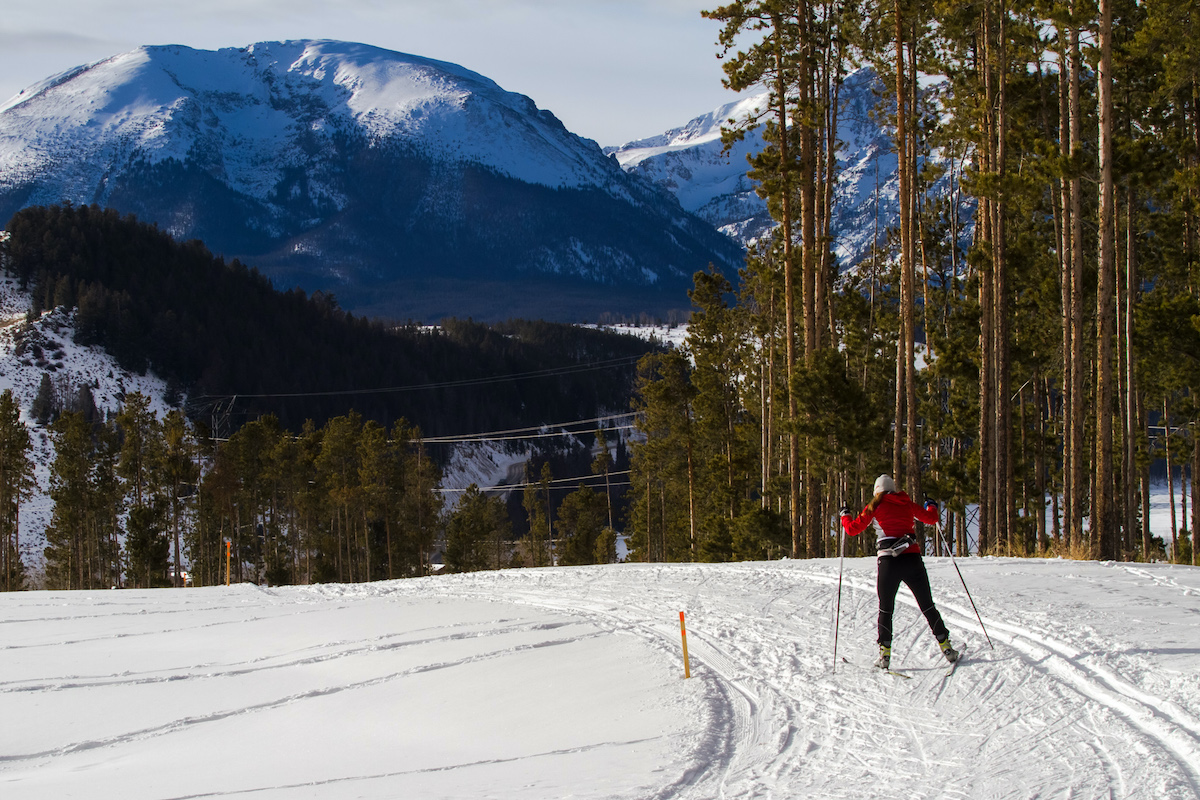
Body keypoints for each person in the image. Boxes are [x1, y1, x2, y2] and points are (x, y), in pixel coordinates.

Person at [840, 474, 960, 670]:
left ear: (876, 491)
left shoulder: (874, 506)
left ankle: (884, 655)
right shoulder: (907, 503)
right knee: (927, 605)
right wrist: (932, 505)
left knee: (886, 609)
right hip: (913, 560)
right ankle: (946, 647)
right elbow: (931, 518)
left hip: (888, 563)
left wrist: (845, 515)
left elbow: (853, 530)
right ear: (893, 489)